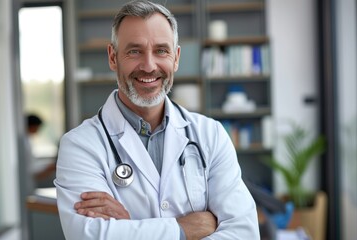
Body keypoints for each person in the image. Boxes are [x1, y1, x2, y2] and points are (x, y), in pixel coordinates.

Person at [54, 1, 260, 239]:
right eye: (134, 51)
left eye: (161, 50)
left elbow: (244, 232)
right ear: (113, 57)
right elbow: (89, 236)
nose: (149, 66)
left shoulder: (210, 135)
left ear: (176, 58)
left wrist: (131, 226)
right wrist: (185, 229)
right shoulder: (80, 146)